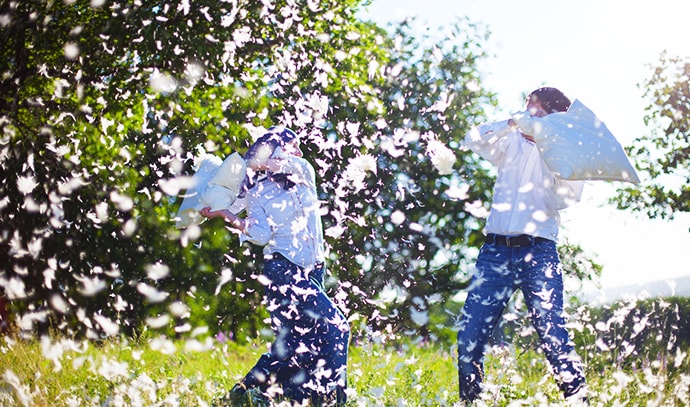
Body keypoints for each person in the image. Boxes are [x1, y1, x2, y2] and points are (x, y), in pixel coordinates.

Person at [202, 127, 350, 406]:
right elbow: (259, 235)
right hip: (282, 270)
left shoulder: (303, 171)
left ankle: (244, 395)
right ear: (276, 146)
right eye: (292, 144)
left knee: (293, 348)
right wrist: (227, 214)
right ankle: (332, 400)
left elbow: (274, 163)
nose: (299, 150)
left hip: (313, 272)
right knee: (335, 327)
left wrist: (256, 163)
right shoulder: (257, 191)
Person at [457, 87, 587, 404]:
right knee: (469, 337)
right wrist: (511, 124)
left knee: (552, 334)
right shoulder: (509, 141)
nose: (529, 113)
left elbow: (566, 199)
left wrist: (549, 151)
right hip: (495, 253)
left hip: (538, 252)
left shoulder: (565, 151)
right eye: (527, 108)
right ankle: (470, 402)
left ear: (553, 116)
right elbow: (472, 139)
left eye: (535, 110)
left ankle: (578, 400)